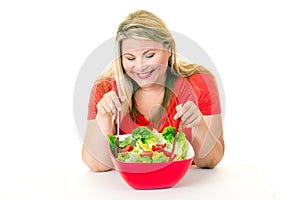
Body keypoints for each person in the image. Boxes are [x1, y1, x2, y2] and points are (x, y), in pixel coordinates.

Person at [82, 10, 224, 172]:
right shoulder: (105, 88)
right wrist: (104, 118)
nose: (141, 66)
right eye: (130, 58)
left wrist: (198, 124)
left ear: (168, 49)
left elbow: (212, 160)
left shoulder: (199, 82)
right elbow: (96, 164)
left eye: (149, 55)